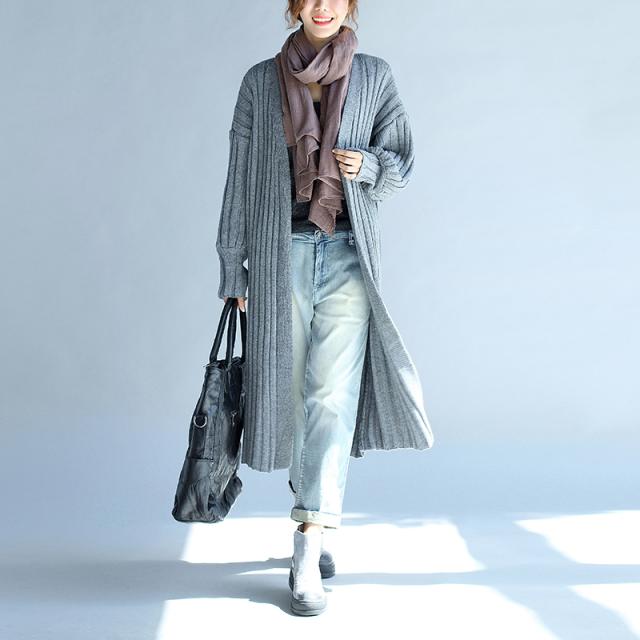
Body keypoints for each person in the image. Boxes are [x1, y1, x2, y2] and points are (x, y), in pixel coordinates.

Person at [217, 0, 433, 617]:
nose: (322, 6)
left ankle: (309, 539)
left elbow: (401, 162)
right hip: (279, 251)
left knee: (332, 395)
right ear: (293, 7)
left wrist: (368, 167)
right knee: (290, 395)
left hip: (347, 254)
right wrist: (232, 264)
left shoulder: (374, 76)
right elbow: (238, 177)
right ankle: (312, 499)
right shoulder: (260, 82)